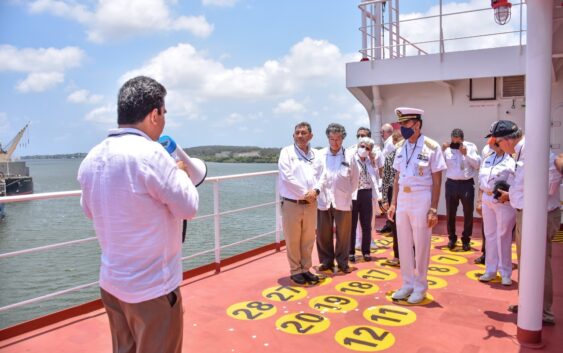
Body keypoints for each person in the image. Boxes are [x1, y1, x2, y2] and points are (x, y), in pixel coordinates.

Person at [77, 76, 199, 353]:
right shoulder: (153, 155)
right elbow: (189, 207)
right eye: (164, 113)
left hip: (112, 284)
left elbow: (89, 210)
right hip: (152, 289)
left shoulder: (92, 157)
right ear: (154, 114)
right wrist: (179, 173)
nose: (164, 119)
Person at [494, 120, 561, 325]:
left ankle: (543, 311)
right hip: (527, 213)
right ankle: (528, 304)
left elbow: (550, 181)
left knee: (539, 264)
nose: (498, 146)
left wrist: (519, 196)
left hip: (539, 216)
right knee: (526, 262)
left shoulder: (534, 150)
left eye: (498, 142)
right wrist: (511, 195)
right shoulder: (522, 152)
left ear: (508, 140)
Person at [387, 107, 447, 304]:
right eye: (401, 124)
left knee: (421, 244)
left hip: (422, 198)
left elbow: (437, 181)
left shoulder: (432, 147)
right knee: (403, 243)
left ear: (417, 124)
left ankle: (420, 285)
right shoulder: (400, 146)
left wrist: (433, 208)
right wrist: (393, 202)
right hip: (403, 199)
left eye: (406, 124)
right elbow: (396, 177)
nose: (402, 127)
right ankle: (407, 283)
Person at [278, 122, 322, 285]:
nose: (300, 135)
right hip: (292, 203)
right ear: (293, 136)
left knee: (308, 238)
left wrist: (315, 191)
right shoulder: (286, 152)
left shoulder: (316, 154)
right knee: (293, 238)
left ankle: (306, 268)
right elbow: (287, 177)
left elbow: (321, 175)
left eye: (304, 133)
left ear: (311, 135)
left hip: (311, 202)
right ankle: (295, 270)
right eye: (297, 133)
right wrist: (306, 193)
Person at [316, 123, 359, 274]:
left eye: (338, 139)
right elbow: (316, 176)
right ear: (328, 138)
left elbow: (355, 179)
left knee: (343, 234)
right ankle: (326, 261)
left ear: (343, 138)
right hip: (324, 201)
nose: (335, 142)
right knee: (323, 233)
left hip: (343, 201)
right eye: (332, 139)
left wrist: (346, 193)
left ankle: (342, 262)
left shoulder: (350, 156)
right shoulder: (320, 155)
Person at [476, 136, 515, 285]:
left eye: (492, 141)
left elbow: (514, 182)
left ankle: (505, 272)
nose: (489, 143)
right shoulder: (487, 158)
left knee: (503, 236)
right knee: (490, 235)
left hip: (502, 201)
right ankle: (490, 270)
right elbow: (481, 181)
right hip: (487, 199)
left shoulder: (510, 161)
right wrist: (480, 200)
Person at [442, 128, 481, 251]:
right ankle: (452, 238)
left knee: (468, 212)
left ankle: (466, 240)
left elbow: (478, 164)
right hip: (451, 184)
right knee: (450, 212)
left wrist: (466, 154)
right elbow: (440, 164)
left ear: (462, 140)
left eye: (458, 141)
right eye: (453, 140)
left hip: (466, 184)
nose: (456, 143)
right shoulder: (447, 150)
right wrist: (441, 150)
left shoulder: (471, 147)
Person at [349, 137, 380, 263]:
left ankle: (366, 251)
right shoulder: (351, 158)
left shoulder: (370, 161)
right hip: (354, 194)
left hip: (367, 194)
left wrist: (373, 162)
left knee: (367, 225)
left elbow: (375, 178)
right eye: (362, 146)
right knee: (351, 224)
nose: (364, 149)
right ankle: (350, 252)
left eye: (367, 148)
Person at [381, 130, 404, 266]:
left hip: (408, 192)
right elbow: (385, 179)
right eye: (397, 140)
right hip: (393, 192)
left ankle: (411, 255)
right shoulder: (390, 157)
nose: (400, 143)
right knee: (395, 226)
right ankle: (397, 256)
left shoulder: (410, 155)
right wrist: (384, 198)